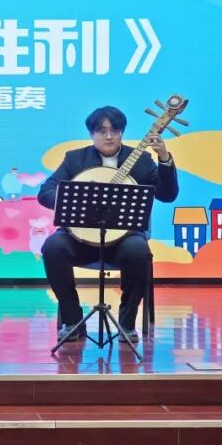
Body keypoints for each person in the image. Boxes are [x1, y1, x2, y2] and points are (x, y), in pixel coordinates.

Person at [38, 105, 179, 343]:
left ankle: (127, 323)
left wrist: (164, 159)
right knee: (53, 247)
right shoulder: (75, 159)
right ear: (92, 134)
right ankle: (73, 321)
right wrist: (76, 199)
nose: (109, 136)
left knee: (139, 251)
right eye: (102, 131)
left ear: (122, 132)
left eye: (115, 130)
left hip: (123, 239)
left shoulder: (142, 160)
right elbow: (45, 193)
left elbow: (168, 195)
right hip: (80, 238)